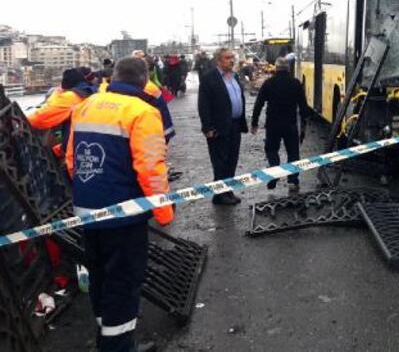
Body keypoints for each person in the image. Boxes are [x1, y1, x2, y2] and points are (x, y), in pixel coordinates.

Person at [66, 57, 173, 352]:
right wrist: (164, 211)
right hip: (123, 216)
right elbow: (150, 168)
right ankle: (119, 346)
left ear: (113, 77)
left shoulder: (86, 105)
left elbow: (72, 160)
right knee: (123, 282)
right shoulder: (143, 112)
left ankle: (105, 339)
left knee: (99, 276)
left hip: (86, 213)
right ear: (144, 81)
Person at [251, 56, 310, 191]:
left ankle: (275, 171)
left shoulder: (269, 83)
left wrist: (254, 122)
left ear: (276, 68)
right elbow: (303, 107)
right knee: (293, 152)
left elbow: (258, 103)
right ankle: (292, 180)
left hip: (273, 124)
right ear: (288, 68)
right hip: (290, 124)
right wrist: (304, 125)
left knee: (271, 150)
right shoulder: (296, 83)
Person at [197, 47, 247, 205]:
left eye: (232, 57)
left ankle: (227, 191)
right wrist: (208, 127)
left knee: (232, 160)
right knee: (220, 162)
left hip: (235, 125)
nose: (232, 60)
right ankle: (220, 195)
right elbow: (203, 105)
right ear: (218, 60)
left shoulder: (234, 76)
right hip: (218, 128)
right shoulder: (209, 78)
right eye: (227, 58)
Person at [28, 68, 96, 159]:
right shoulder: (95, 93)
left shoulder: (70, 98)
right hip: (94, 150)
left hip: (76, 157)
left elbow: (38, 119)